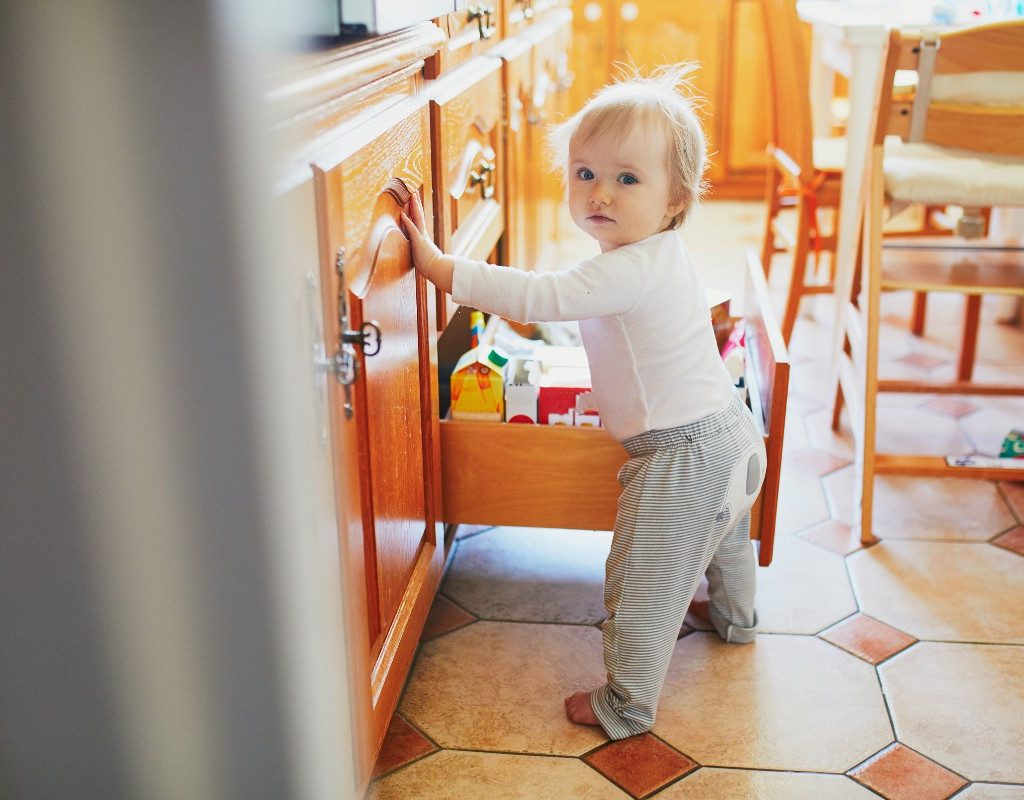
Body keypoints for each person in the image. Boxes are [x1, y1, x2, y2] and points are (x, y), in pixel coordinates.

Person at [399, 63, 767, 741]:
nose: (600, 193)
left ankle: (625, 704)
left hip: (679, 458)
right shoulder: (662, 253)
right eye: (584, 173)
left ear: (676, 198)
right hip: (734, 438)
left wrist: (437, 266)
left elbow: (542, 295)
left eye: (627, 178)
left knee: (641, 587)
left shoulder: (622, 268)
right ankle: (737, 619)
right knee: (725, 541)